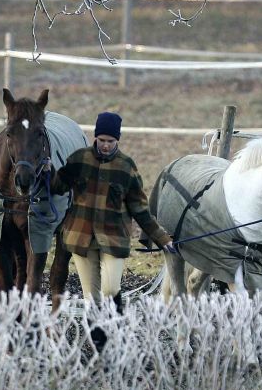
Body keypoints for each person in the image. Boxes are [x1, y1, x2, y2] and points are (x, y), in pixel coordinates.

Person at [50, 112, 176, 318]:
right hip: (80, 237)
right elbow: (57, 187)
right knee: (91, 299)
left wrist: (161, 238)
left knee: (110, 290)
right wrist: (48, 171)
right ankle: (100, 340)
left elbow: (140, 208)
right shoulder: (79, 159)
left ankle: (116, 319)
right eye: (101, 140)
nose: (105, 145)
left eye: (110, 141)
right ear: (95, 138)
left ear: (117, 140)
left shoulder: (127, 166)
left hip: (113, 237)